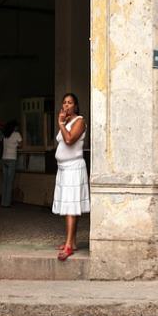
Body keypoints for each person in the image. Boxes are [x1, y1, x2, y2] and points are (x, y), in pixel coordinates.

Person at [53, 93, 90, 261]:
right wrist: (63, 122)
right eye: (64, 102)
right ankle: (72, 242)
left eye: (70, 103)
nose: (66, 105)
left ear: (75, 106)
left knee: (71, 207)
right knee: (68, 206)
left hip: (74, 168)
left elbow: (69, 140)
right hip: (63, 169)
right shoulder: (67, 122)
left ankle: (68, 246)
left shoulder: (79, 121)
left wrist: (60, 123)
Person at [1, 120, 22, 208]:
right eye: (17, 126)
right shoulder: (16, 134)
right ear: (14, 127)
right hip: (12, 159)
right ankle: (7, 203)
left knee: (5, 181)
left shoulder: (5, 135)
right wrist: (17, 144)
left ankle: (3, 202)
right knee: (9, 182)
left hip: (4, 158)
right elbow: (21, 145)